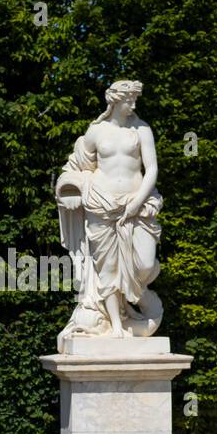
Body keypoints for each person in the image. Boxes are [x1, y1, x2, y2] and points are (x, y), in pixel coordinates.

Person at [57, 80, 163, 343]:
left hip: (138, 206)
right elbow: (74, 167)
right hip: (101, 205)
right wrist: (71, 188)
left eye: (135, 99)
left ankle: (136, 304)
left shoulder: (142, 129)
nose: (134, 105)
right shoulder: (96, 132)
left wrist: (137, 202)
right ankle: (116, 326)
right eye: (129, 100)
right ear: (115, 101)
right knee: (109, 269)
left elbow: (151, 170)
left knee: (144, 264)